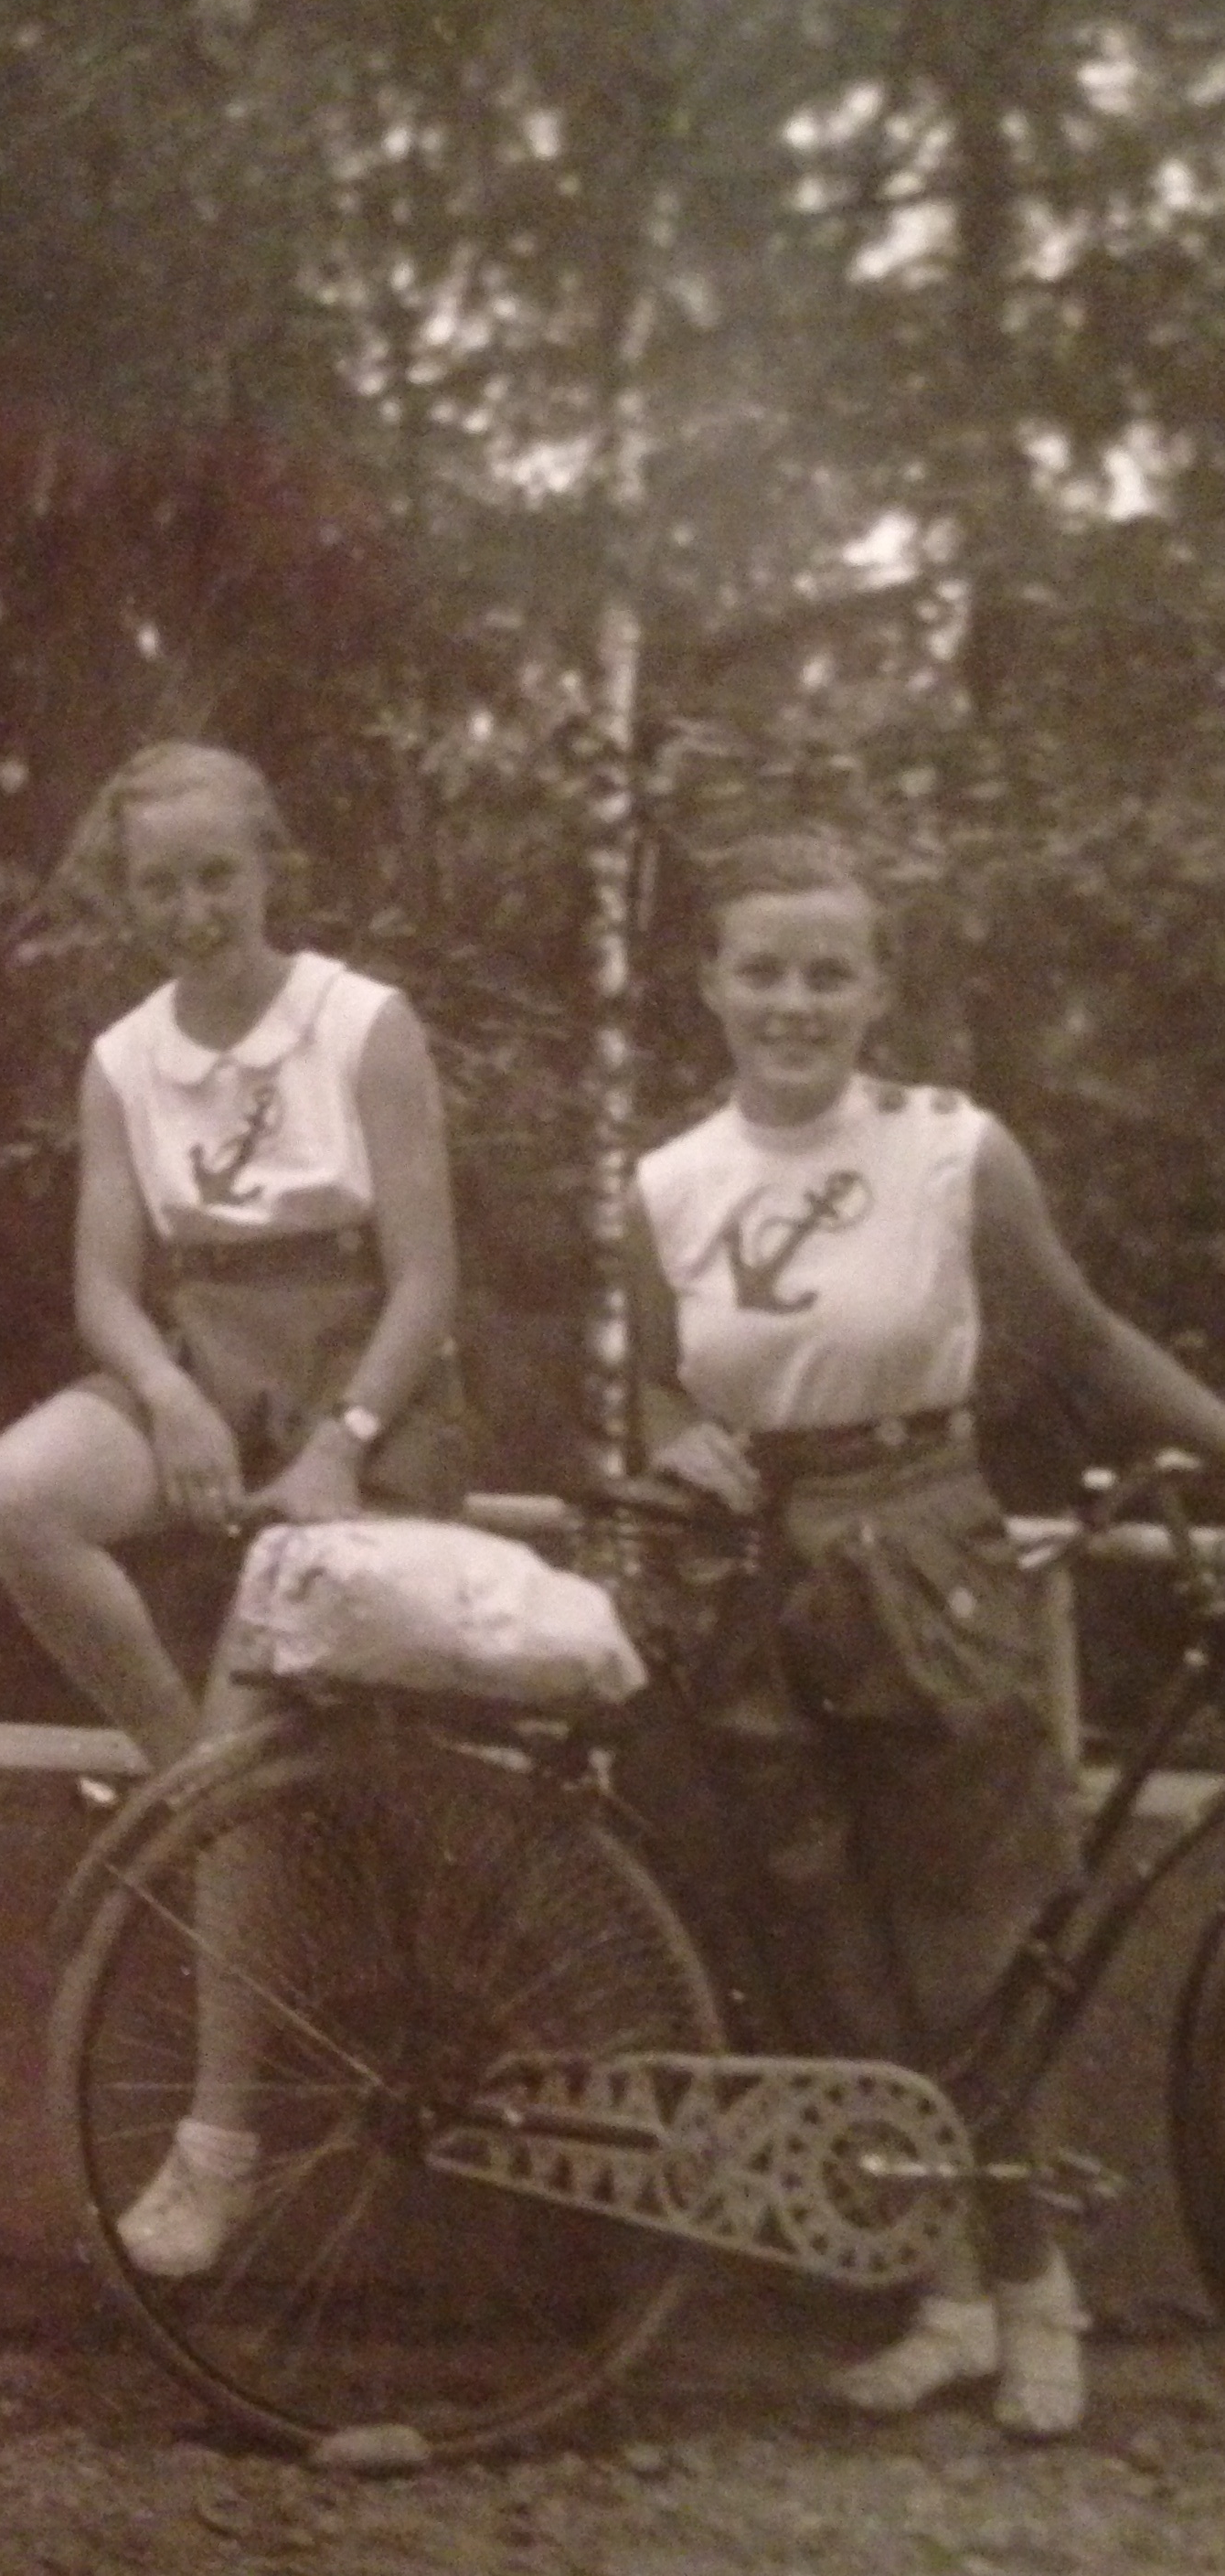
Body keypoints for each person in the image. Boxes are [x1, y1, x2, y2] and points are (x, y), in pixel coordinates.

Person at [627, 827, 1225, 2441]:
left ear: (878, 988)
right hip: (751, 1574)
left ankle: (1036, 2288)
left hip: (922, 1546)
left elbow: (1082, 1336)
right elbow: (660, 1386)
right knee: (824, 1940)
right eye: (763, 969)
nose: (794, 1002)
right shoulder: (669, 1182)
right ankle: (942, 2295)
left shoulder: (952, 1150)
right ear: (709, 983)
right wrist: (674, 1441)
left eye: (828, 971)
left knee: (972, 1941)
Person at [0, 737, 464, 2273]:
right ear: (125, 896)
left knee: (260, 1702)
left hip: (357, 1386)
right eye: (157, 885)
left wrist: (342, 1441)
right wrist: (168, 1394)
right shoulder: (124, 1058)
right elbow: (104, 1289)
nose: (190, 910)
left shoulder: (361, 1023)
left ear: (267, 870)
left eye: (214, 876)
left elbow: (429, 1280)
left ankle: (219, 2146)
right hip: (202, 1365)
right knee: (20, 1491)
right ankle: (189, 1780)